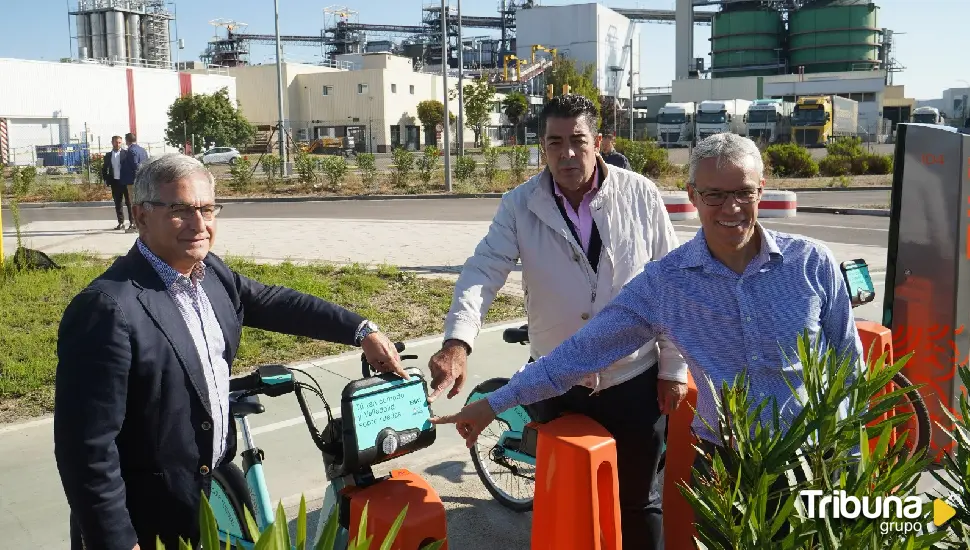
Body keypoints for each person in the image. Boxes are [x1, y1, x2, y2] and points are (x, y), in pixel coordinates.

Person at [432, 132, 865, 533]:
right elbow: (579, 354)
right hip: (727, 466)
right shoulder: (667, 284)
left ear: (761, 190)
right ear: (693, 196)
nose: (731, 208)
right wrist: (493, 403)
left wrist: (850, 457)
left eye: (743, 193)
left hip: (813, 459)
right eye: (715, 195)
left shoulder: (811, 264)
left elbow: (848, 364)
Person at [54, 153, 407, 550]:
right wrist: (118, 543)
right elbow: (86, 450)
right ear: (141, 215)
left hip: (203, 493)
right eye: (180, 210)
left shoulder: (209, 274)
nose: (199, 225)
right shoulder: (107, 307)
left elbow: (274, 301)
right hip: (145, 519)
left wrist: (362, 330)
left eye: (207, 209)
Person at [427, 94, 688, 550]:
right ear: (542, 147)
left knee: (640, 501)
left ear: (600, 142)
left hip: (633, 377)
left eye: (578, 140)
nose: (567, 154)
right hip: (557, 383)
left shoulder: (640, 194)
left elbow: (668, 285)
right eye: (555, 142)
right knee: (566, 494)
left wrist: (673, 368)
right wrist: (458, 342)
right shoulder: (519, 205)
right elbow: (483, 271)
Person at [102, 135, 133, 231]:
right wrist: (106, 180)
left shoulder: (126, 154)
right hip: (115, 182)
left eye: (119, 142)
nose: (118, 144)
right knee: (118, 203)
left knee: (129, 203)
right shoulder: (108, 155)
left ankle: (132, 223)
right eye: (116, 142)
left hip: (126, 182)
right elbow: (104, 169)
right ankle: (121, 223)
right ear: (112, 142)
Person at [122, 133, 149, 234]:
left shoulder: (131, 150)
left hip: (133, 181)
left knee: (134, 203)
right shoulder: (142, 150)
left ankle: (135, 225)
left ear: (127, 140)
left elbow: (135, 165)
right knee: (142, 202)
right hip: (142, 180)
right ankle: (144, 224)